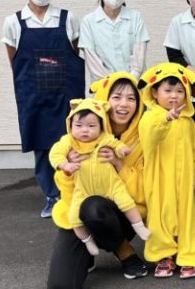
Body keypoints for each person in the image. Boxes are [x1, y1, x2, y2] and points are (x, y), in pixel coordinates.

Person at [46, 73, 151, 287]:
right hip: (79, 211)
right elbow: (64, 189)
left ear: (139, 104)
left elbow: (146, 191)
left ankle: (125, 252)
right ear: (104, 100)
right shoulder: (80, 134)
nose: (124, 104)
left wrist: (119, 164)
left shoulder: (144, 138)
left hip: (123, 213)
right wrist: (68, 169)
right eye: (116, 97)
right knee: (61, 285)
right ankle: (88, 247)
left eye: (131, 98)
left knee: (94, 207)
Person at [3, 0, 84, 218]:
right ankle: (51, 195)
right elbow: (15, 60)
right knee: (41, 146)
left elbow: (75, 52)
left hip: (66, 93)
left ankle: (75, 193)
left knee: (73, 142)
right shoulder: (14, 22)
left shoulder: (67, 18)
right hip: (33, 94)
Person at [49, 98, 149, 256]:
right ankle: (87, 241)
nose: (84, 130)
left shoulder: (104, 138)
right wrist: (65, 165)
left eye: (91, 126)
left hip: (111, 186)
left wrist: (121, 152)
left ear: (101, 125)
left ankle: (139, 227)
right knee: (73, 217)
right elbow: (55, 154)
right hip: (83, 190)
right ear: (70, 125)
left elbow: (116, 144)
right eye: (79, 126)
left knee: (127, 203)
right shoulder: (68, 142)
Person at [138, 63, 195, 279]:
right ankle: (164, 255)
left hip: (186, 179)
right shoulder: (150, 118)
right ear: (154, 92)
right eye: (167, 90)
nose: (174, 96)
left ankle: (190, 256)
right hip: (159, 179)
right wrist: (165, 119)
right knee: (160, 216)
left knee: (189, 218)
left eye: (180, 91)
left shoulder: (187, 121)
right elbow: (149, 137)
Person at [79, 0, 148, 84]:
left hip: (134, 83)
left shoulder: (135, 17)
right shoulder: (89, 21)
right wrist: (112, 84)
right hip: (103, 85)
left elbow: (139, 54)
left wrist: (131, 80)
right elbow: (92, 60)